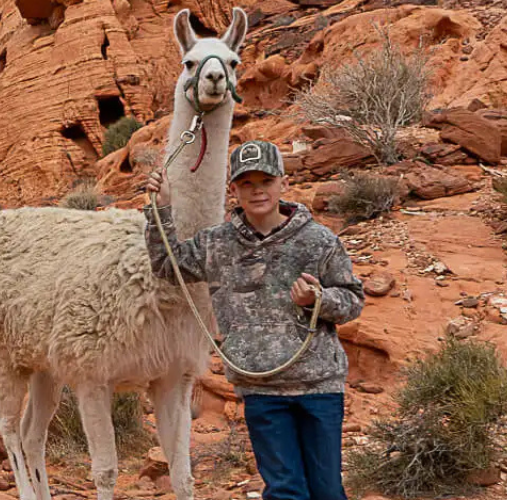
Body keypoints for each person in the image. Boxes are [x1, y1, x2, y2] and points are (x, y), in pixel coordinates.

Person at [141, 140, 363, 500]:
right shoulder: (217, 244)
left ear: (283, 184)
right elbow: (168, 265)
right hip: (261, 390)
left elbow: (353, 301)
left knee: (327, 491)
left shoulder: (318, 241)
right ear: (234, 189)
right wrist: (162, 209)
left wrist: (318, 300)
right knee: (285, 490)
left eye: (266, 180)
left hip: (318, 387)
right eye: (247, 183)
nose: (257, 190)